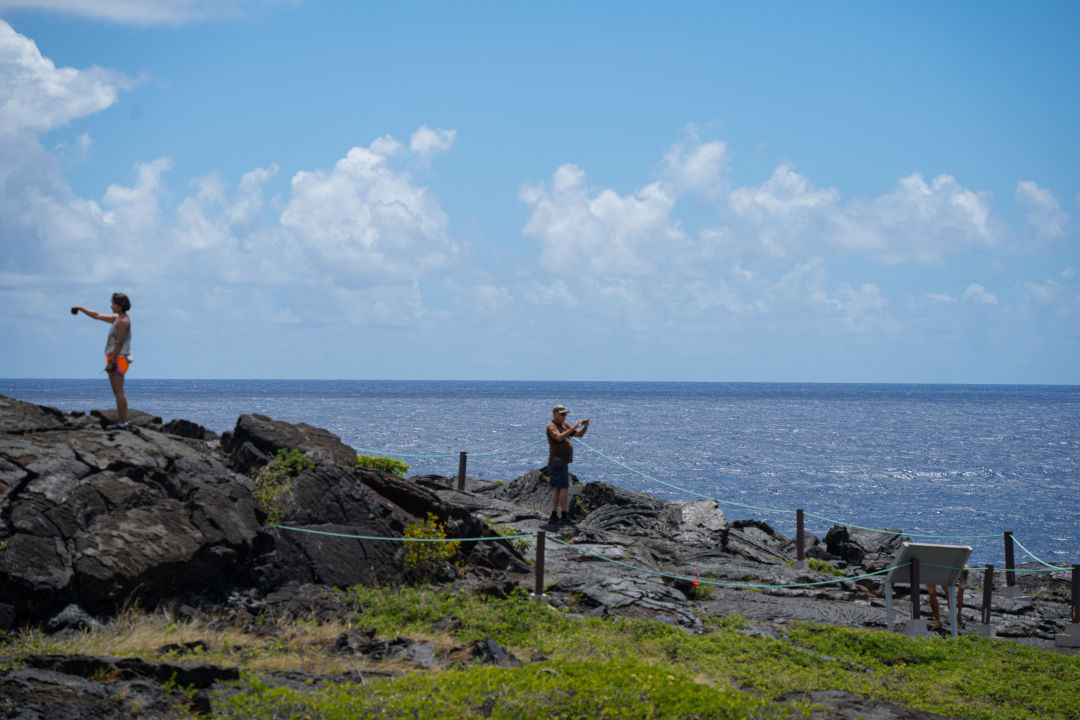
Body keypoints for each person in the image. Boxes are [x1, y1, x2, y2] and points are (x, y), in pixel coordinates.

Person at [71, 293, 132, 429]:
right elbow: (97, 315)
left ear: (120, 305)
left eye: (113, 304)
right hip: (115, 358)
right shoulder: (117, 319)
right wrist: (81, 308)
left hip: (118, 359)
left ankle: (123, 423)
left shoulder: (123, 321)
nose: (111, 306)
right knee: (117, 392)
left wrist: (111, 362)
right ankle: (122, 421)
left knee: (119, 392)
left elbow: (119, 343)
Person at [545, 404, 588, 525]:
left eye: (565, 414)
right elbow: (559, 438)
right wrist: (574, 426)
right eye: (562, 414)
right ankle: (563, 514)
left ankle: (555, 514)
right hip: (557, 462)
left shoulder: (564, 425)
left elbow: (578, 434)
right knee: (563, 488)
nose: (564, 416)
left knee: (558, 489)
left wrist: (585, 427)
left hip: (563, 461)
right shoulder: (551, 426)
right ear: (555, 414)